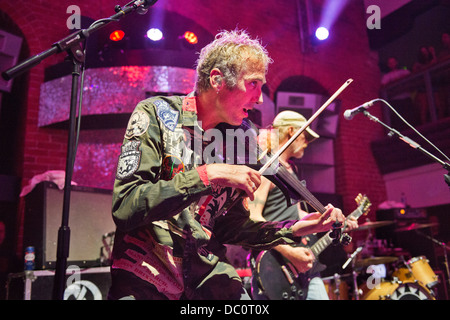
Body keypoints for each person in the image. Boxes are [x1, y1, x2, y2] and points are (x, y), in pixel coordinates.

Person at [107, 29, 346, 300]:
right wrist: (207, 175)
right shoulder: (157, 115)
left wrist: (295, 228)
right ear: (218, 79)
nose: (258, 99)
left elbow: (231, 228)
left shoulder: (237, 142)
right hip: (147, 280)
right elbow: (126, 206)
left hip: (210, 281)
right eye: (253, 84)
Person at [248, 110, 358, 300]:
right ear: (291, 131)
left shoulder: (292, 170)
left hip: (303, 261)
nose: (307, 143)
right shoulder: (268, 166)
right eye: (305, 136)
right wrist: (290, 252)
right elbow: (253, 217)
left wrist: (332, 222)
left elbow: (298, 215)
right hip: (275, 262)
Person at [380, 57, 416, 130]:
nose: (392, 64)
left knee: (410, 116)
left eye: (393, 62)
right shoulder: (387, 76)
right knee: (399, 118)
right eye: (390, 63)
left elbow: (411, 78)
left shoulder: (403, 71)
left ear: (396, 62)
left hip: (406, 98)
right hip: (396, 100)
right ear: (388, 65)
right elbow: (383, 85)